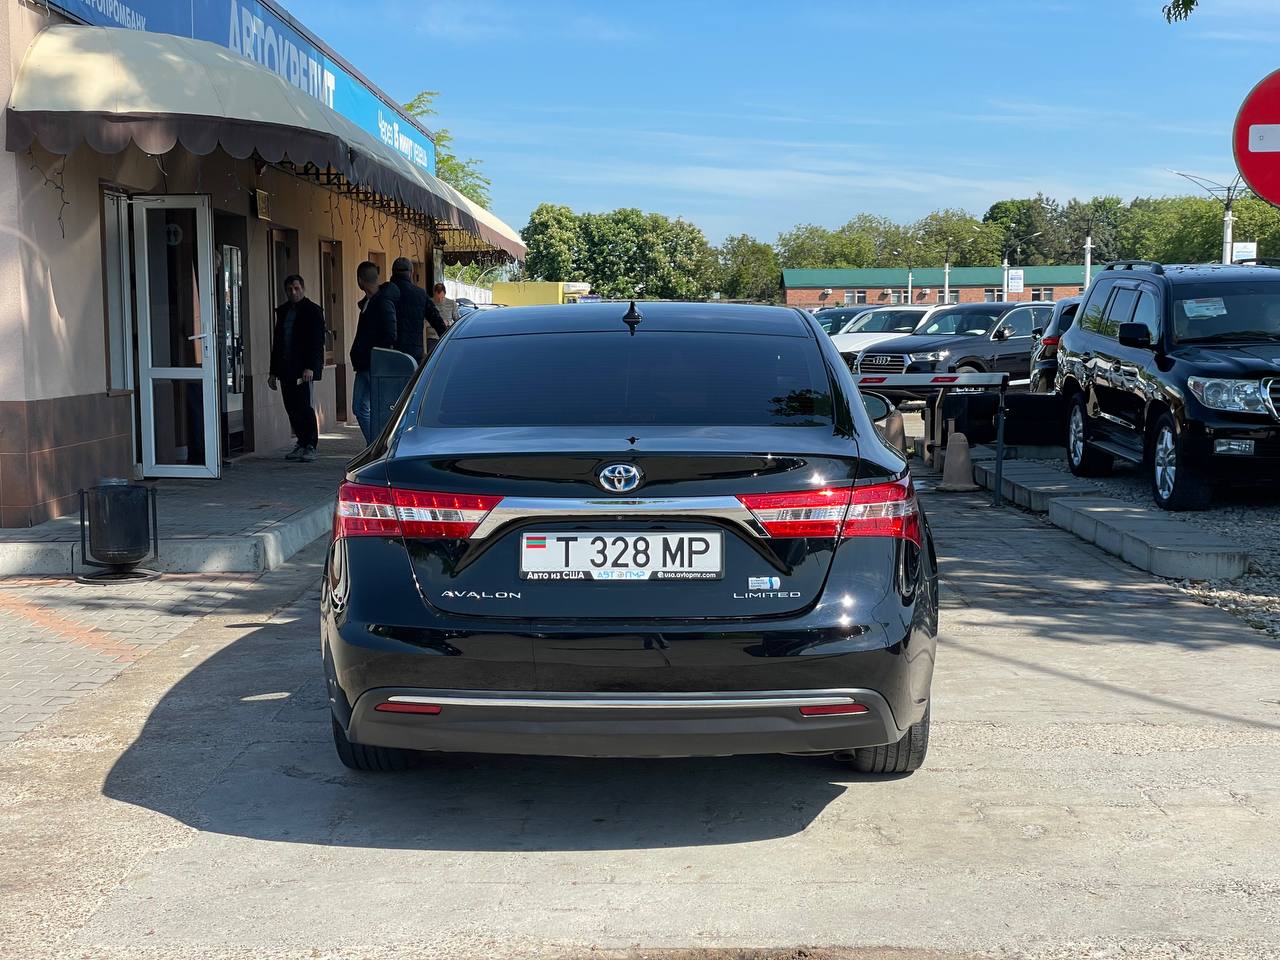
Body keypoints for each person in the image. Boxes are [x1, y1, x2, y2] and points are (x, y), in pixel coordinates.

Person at [268, 274, 326, 462]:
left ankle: (310, 444)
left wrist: (311, 367)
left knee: (304, 406)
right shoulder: (283, 312)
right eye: (290, 289)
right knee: (291, 407)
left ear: (303, 288)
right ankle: (301, 442)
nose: (293, 292)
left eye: (296, 288)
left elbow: (316, 342)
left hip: (303, 369)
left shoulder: (312, 311)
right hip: (286, 368)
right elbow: (277, 343)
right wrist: (273, 372)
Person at [349, 260, 398, 444]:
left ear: (360, 280)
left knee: (365, 407)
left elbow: (390, 334)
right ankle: (375, 446)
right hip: (364, 364)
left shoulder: (382, 303)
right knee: (360, 407)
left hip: (373, 364)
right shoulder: (369, 302)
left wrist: (374, 355)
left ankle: (376, 447)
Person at [390, 257, 447, 364]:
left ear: (392, 273)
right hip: (413, 355)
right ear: (411, 273)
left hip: (389, 354)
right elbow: (437, 321)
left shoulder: (384, 292)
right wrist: (448, 342)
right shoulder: (420, 294)